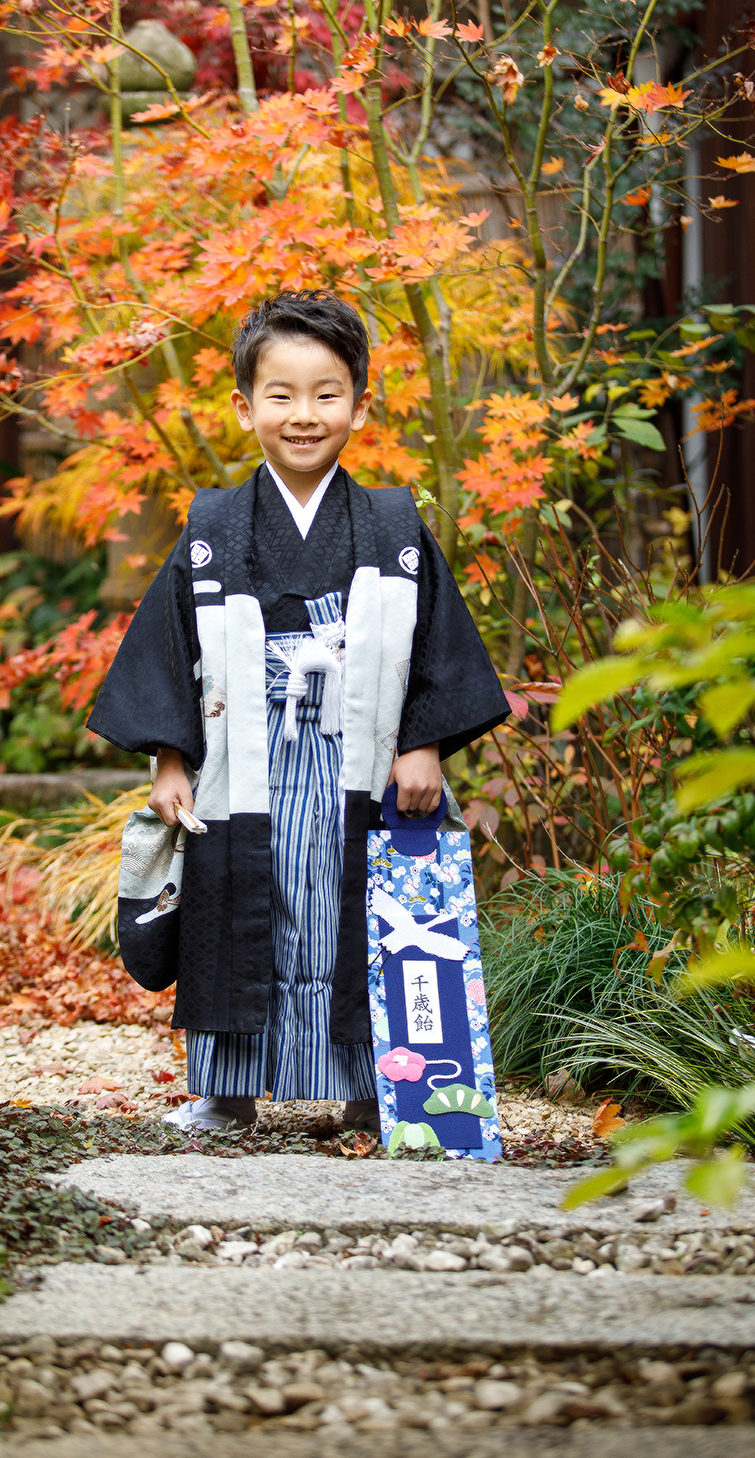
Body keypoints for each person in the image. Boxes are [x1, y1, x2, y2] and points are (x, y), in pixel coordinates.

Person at [87, 290, 509, 1131]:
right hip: (244, 754)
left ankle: (374, 1087)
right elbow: (170, 645)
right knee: (236, 906)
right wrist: (170, 760)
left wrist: (423, 743)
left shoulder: (393, 523)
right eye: (281, 395)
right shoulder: (212, 525)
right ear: (245, 407)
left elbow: (436, 642)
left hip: (362, 750)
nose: (304, 415)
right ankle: (227, 1088)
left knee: (357, 905)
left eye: (326, 393)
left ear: (361, 400)